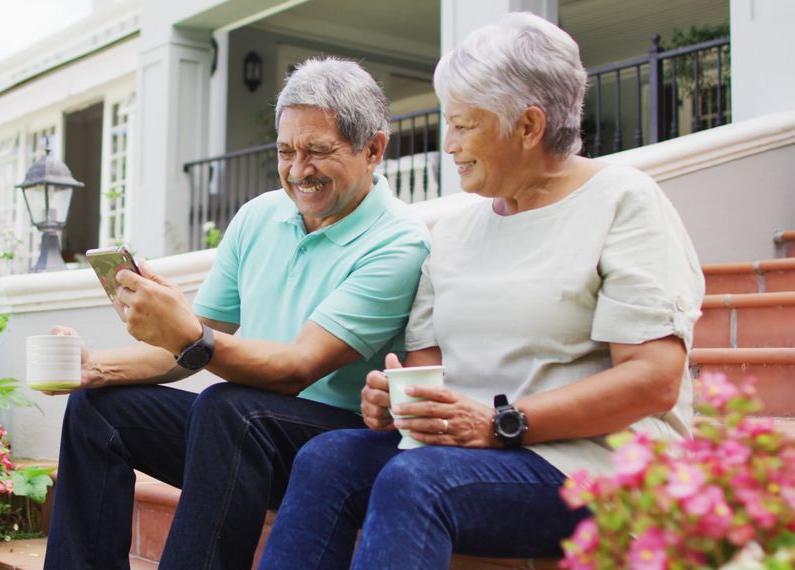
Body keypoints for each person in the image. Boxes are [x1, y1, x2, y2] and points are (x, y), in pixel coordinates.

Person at [258, 12, 706, 569]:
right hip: (469, 451)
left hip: (591, 463)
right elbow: (428, 360)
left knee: (415, 480)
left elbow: (654, 380)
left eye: (464, 125)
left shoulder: (624, 203)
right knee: (328, 457)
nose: (449, 144)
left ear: (528, 126)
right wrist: (404, 405)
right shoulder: (457, 231)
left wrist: (501, 423)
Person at [41, 57, 431, 570]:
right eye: (286, 152)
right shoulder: (259, 216)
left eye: (317, 151)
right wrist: (98, 369)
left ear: (374, 149)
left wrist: (191, 336)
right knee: (99, 411)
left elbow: (296, 368)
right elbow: (187, 349)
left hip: (334, 445)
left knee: (230, 407)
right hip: (241, 432)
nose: (297, 171)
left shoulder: (399, 241)